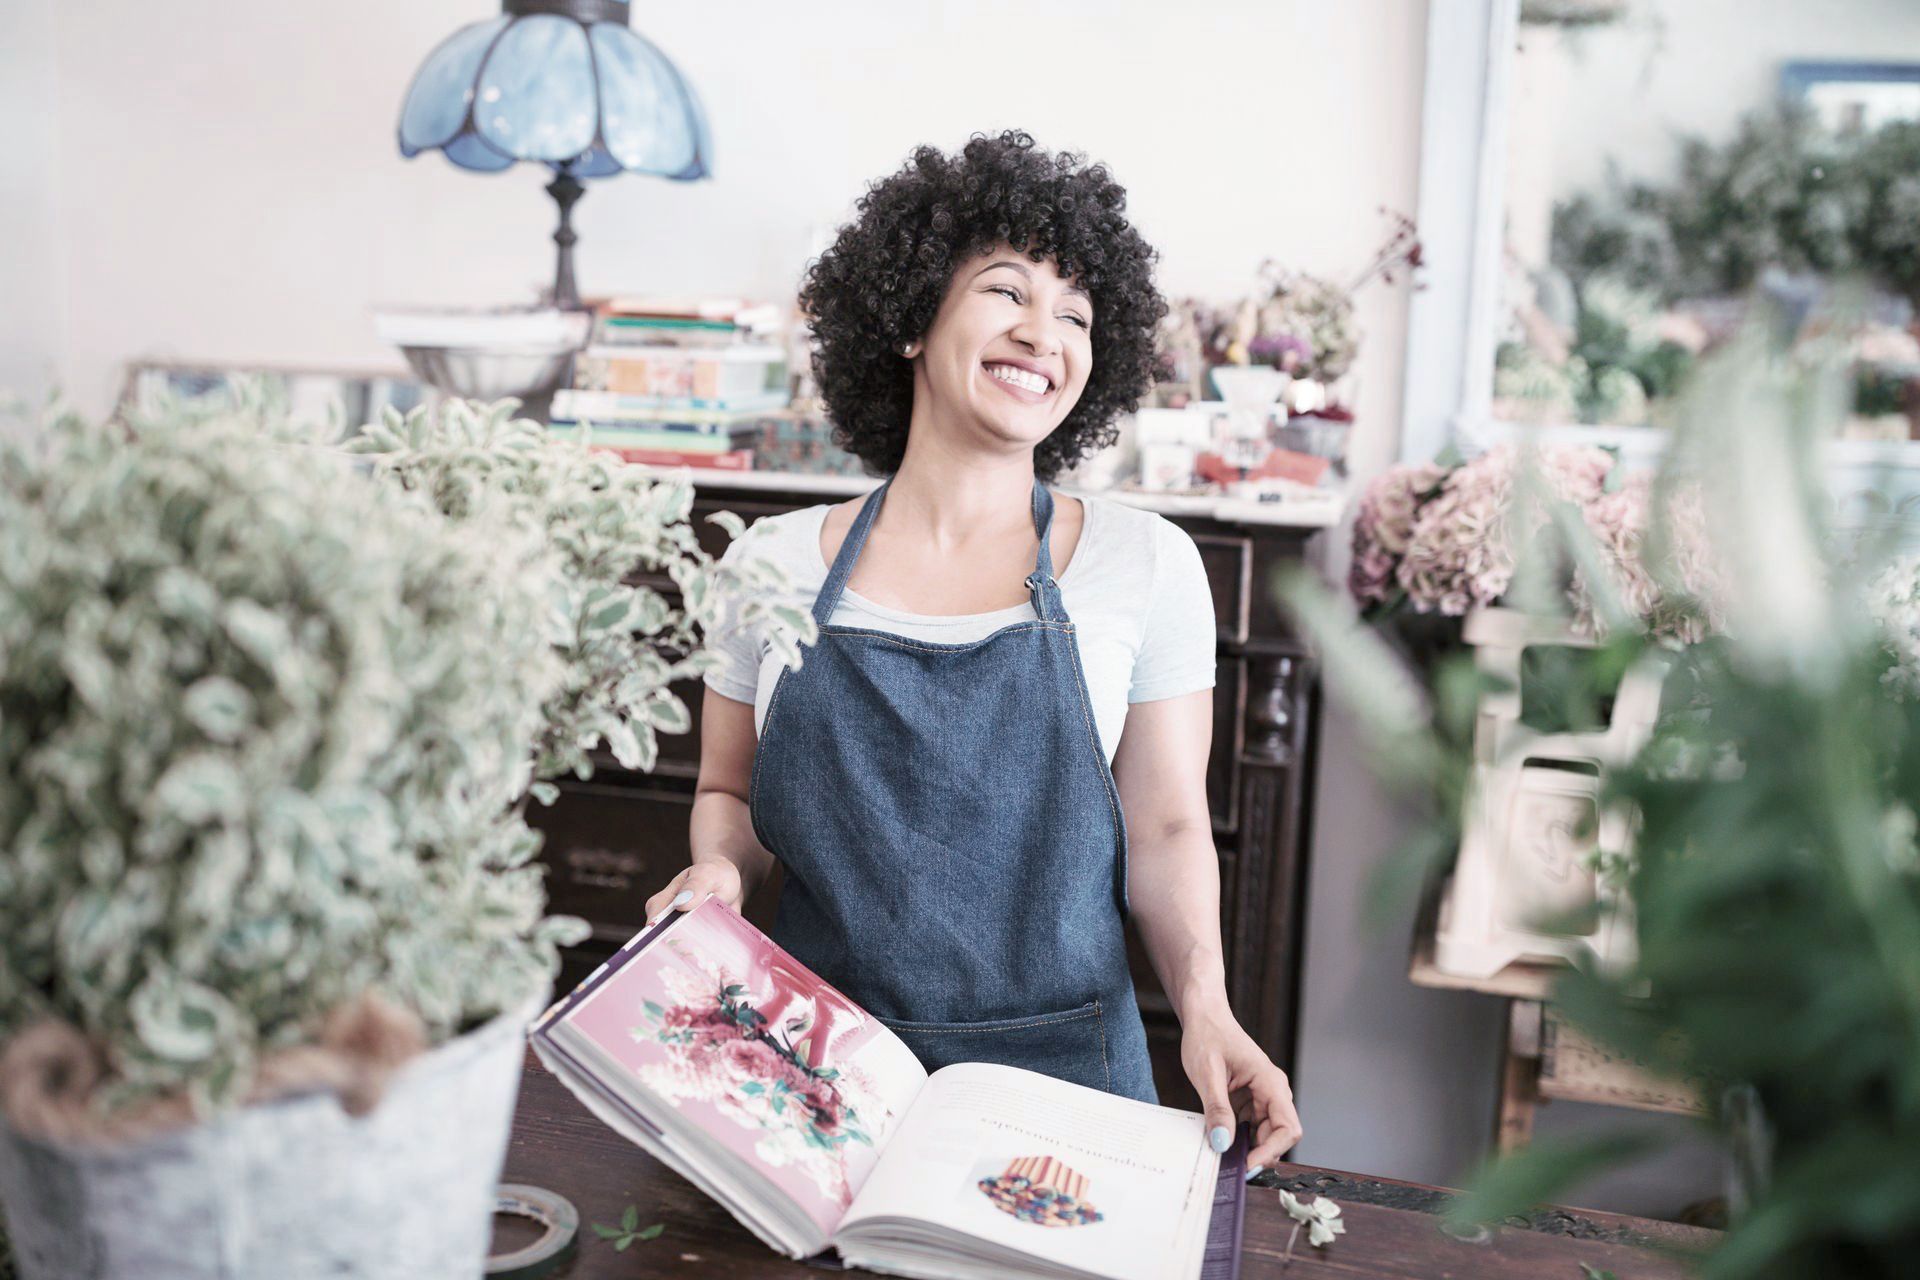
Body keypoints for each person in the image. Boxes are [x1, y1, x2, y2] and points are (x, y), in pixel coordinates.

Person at [644, 130, 1302, 1178]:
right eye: (1008, 291)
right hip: (809, 1081)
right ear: (910, 320)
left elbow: (1170, 824)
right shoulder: (767, 562)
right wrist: (718, 871)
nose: (1045, 331)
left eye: (1078, 315)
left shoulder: (1146, 563)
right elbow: (730, 788)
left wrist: (1207, 1008)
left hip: (1063, 1099)